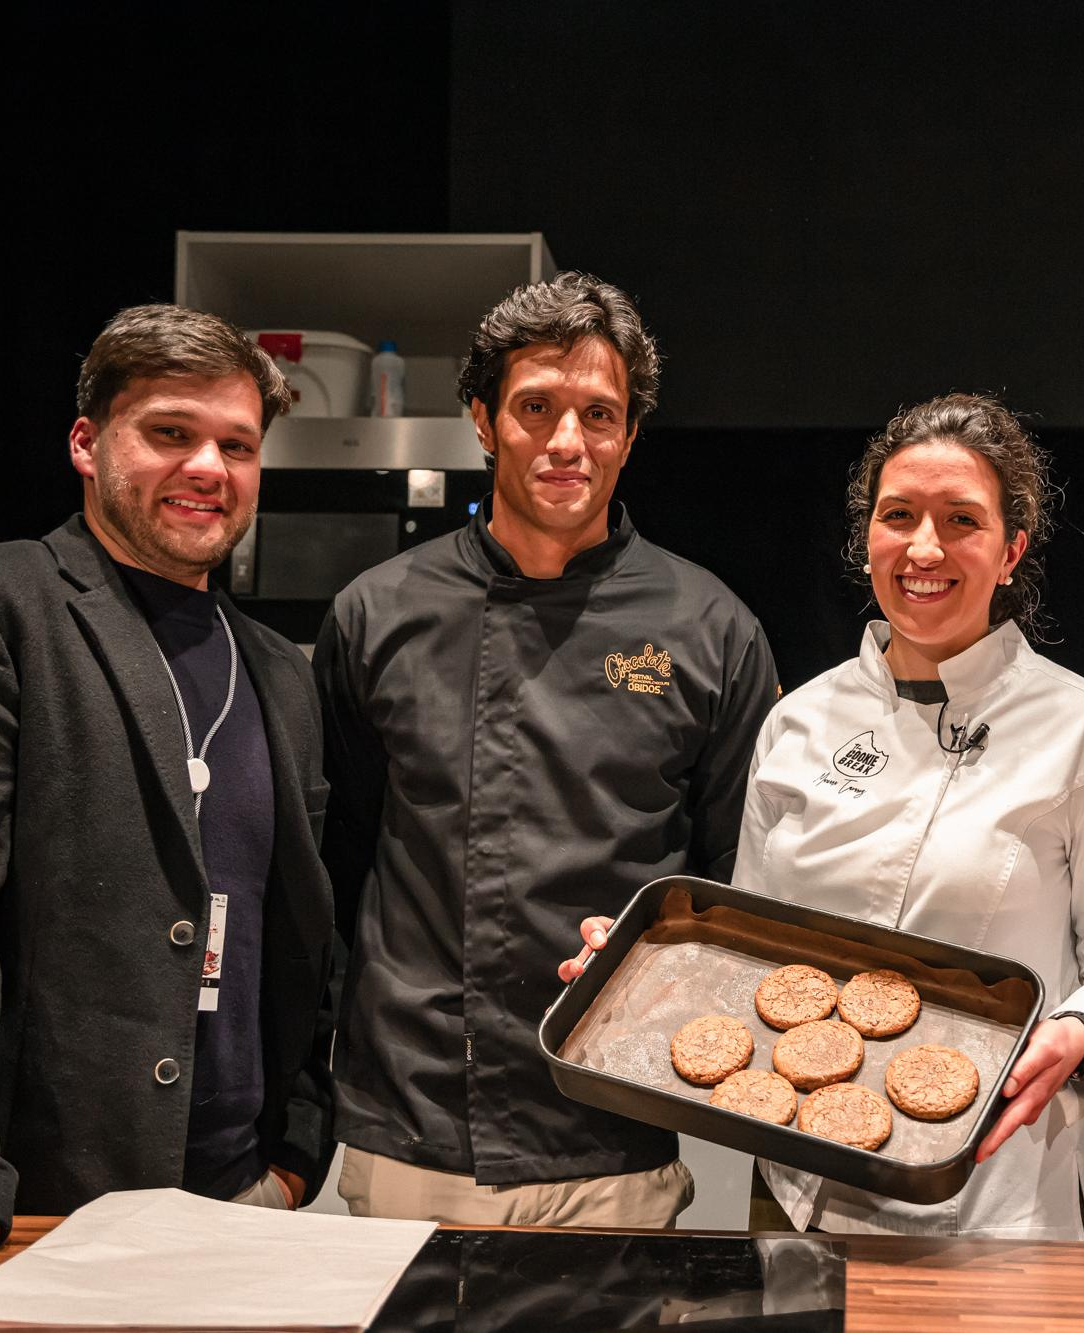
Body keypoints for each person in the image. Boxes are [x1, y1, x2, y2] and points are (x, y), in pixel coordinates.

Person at [0, 305, 339, 1296]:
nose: (209, 466)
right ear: (87, 442)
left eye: (237, 444)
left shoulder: (279, 674)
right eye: (170, 433)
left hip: (237, 1203)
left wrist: (296, 1143)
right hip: (22, 1206)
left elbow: (300, 936)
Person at [565, 393, 1084, 1238]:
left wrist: (1082, 1030)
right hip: (791, 1188)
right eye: (899, 516)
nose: (924, 547)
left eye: (961, 520)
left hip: (992, 1197)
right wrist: (647, 976)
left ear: (1010, 551)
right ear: (868, 539)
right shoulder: (800, 721)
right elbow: (757, 955)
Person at [317, 272, 778, 1227]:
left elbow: (739, 889)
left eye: (599, 415)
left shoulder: (710, 626)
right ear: (484, 421)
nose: (569, 443)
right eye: (537, 408)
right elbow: (340, 861)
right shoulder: (376, 613)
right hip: (414, 1127)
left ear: (631, 434)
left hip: (614, 1128)